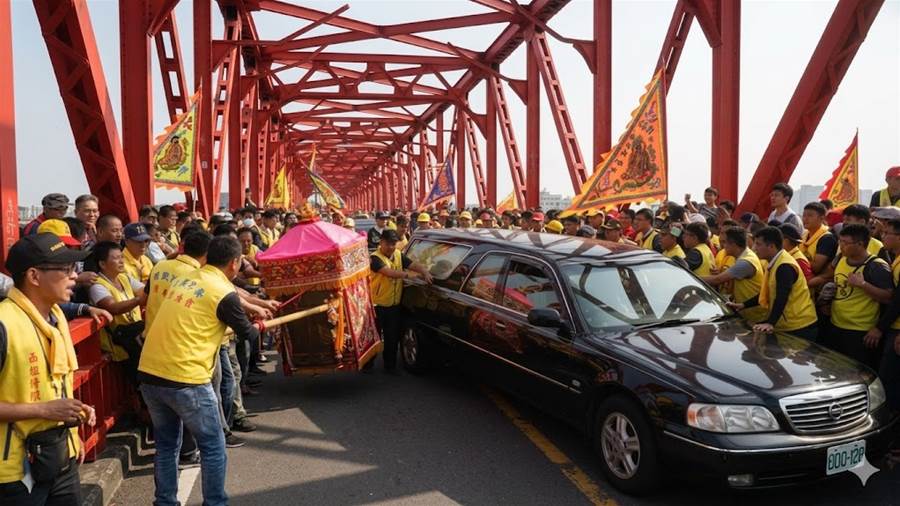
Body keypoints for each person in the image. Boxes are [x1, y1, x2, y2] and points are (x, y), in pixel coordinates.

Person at [138, 236, 260, 506]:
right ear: (235, 263)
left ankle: (165, 502)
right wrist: (257, 326)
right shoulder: (223, 291)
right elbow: (248, 334)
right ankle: (215, 503)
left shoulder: (186, 279)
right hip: (186, 378)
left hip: (149, 373)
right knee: (213, 446)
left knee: (167, 445)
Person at [0, 233, 97, 505]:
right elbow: (47, 404)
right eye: (65, 269)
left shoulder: (56, 317)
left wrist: (73, 426)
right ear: (34, 276)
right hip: (14, 472)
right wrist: (43, 410)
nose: (74, 276)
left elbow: (56, 384)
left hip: (60, 456)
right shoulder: (4, 323)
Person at [730, 227, 818, 341]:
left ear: (771, 246)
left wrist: (770, 323)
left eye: (758, 244)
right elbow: (768, 292)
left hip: (799, 327)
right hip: (789, 325)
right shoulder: (774, 262)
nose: (754, 248)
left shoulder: (784, 266)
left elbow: (782, 296)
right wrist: (743, 305)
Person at [825, 224, 893, 369]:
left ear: (860, 244)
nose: (841, 246)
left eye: (845, 243)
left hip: (859, 331)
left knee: (857, 372)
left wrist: (863, 284)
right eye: (840, 241)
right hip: (836, 324)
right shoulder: (841, 258)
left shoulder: (876, 266)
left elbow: (889, 297)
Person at [369, 230, 432, 371]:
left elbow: (412, 264)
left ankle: (390, 366)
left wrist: (424, 271)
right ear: (381, 242)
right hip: (377, 305)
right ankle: (368, 364)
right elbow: (389, 272)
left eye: (393, 244)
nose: (391, 247)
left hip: (393, 305)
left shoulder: (398, 254)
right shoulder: (375, 258)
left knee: (392, 337)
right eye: (388, 243)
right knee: (374, 337)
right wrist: (409, 276)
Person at [89, 241, 146, 377]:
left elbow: (144, 292)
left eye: (122, 257)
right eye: (116, 258)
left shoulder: (124, 277)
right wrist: (138, 300)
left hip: (134, 338)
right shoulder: (97, 285)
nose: (121, 261)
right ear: (102, 264)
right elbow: (113, 308)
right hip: (118, 346)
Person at [703, 227, 767, 322]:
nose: (723, 246)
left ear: (733, 244)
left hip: (755, 316)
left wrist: (691, 278)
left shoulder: (745, 262)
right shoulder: (744, 255)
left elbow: (717, 280)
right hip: (747, 312)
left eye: (725, 242)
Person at [801, 201, 837, 278]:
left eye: (810, 215)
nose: (805, 218)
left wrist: (796, 260)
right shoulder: (804, 234)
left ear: (822, 218)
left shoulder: (827, 238)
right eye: (804, 215)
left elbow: (816, 267)